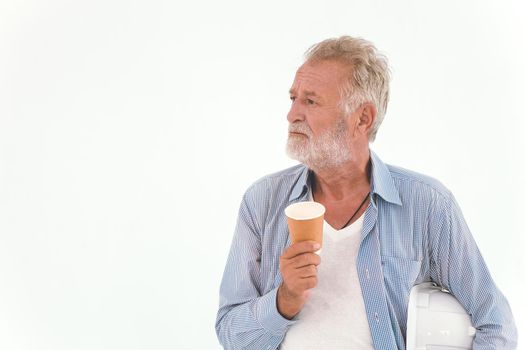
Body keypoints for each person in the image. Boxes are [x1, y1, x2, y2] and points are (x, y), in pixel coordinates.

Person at [215, 36, 517, 350]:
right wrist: (284, 299)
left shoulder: (427, 205)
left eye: (311, 101)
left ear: (362, 118)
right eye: (293, 98)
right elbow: (232, 335)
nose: (292, 115)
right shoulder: (262, 202)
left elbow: (495, 324)